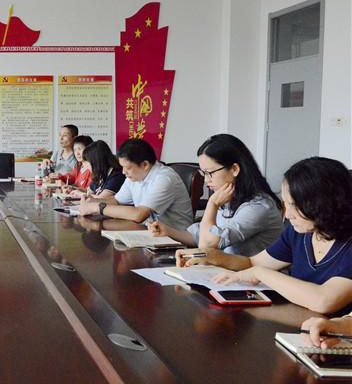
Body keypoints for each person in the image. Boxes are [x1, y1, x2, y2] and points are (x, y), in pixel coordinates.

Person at [178, 157, 352, 314]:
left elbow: (324, 301)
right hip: (299, 322)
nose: (288, 214)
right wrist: (212, 256)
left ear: (324, 203)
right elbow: (253, 263)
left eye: (295, 205)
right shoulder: (299, 232)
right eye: (286, 204)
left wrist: (260, 273)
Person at [149, 134, 282, 256]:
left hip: (249, 274)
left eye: (210, 173)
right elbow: (200, 235)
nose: (206, 180)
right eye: (203, 173)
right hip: (225, 271)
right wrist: (167, 231)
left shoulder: (258, 207)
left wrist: (212, 204)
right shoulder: (228, 197)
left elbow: (206, 244)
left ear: (234, 169)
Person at [79, 138, 193, 230]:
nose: (123, 172)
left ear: (145, 165)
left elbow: (139, 215)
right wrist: (92, 201)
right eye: (122, 167)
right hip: (150, 231)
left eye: (127, 167)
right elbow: (117, 201)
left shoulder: (164, 178)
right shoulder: (134, 176)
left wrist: (97, 208)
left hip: (175, 239)